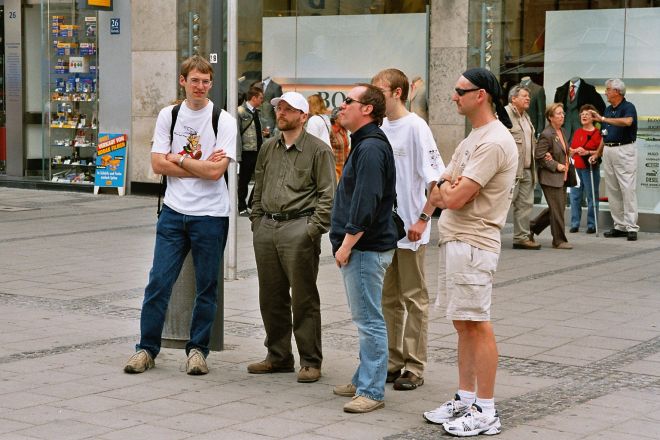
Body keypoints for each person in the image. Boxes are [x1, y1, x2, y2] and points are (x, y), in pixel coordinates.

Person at [123, 55, 236, 375]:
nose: (200, 86)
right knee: (158, 282)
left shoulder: (223, 119)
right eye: (194, 80)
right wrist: (198, 166)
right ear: (182, 81)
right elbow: (157, 165)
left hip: (211, 215)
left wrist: (180, 160)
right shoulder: (168, 115)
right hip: (173, 213)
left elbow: (217, 174)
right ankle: (146, 348)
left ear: (211, 84)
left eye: (206, 81)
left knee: (206, 286)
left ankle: (198, 350)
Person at [423, 68, 516, 437]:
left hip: (475, 242)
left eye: (461, 90)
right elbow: (439, 186)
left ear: (482, 95)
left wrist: (449, 190)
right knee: (463, 323)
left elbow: (455, 196)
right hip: (457, 240)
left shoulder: (493, 141)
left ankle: (487, 409)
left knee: (477, 323)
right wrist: (447, 190)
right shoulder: (473, 138)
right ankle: (465, 397)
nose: (453, 96)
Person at [247, 92, 336, 384]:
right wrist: (256, 219)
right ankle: (278, 356)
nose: (281, 112)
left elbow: (327, 195)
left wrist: (311, 230)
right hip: (267, 227)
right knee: (270, 297)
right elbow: (258, 184)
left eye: (288, 109)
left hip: (299, 228)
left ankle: (310, 361)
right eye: (279, 108)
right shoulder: (269, 147)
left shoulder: (318, 150)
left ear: (303, 116)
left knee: (304, 298)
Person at [372, 68, 444, 391]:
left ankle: (414, 365)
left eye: (381, 92)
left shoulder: (416, 127)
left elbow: (437, 182)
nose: (375, 98)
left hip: (413, 229)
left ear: (398, 93)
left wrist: (423, 219)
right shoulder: (379, 127)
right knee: (389, 298)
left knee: (414, 297)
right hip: (385, 230)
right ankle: (392, 359)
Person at [330, 83, 399, 414]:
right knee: (366, 317)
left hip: (366, 248)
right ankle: (363, 379)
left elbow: (366, 202)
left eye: (348, 101)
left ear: (367, 109)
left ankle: (372, 390)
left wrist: (346, 244)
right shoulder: (365, 144)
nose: (341, 106)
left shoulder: (370, 148)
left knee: (368, 320)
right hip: (365, 246)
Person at [590, 78, 639, 241]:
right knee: (612, 189)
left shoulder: (628, 107)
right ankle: (620, 226)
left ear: (617, 91)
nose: (606, 92)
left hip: (624, 149)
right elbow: (604, 135)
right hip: (609, 150)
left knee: (627, 188)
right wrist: (597, 153)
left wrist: (603, 119)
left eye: (608, 89)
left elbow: (628, 121)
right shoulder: (608, 109)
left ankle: (631, 226)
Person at [529, 103, 576, 250]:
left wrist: (571, 152)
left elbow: (560, 150)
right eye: (559, 113)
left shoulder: (561, 131)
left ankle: (531, 228)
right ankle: (559, 240)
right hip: (550, 177)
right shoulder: (546, 134)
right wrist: (556, 165)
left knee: (556, 208)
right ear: (550, 117)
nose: (563, 116)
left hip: (562, 177)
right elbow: (540, 155)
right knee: (557, 209)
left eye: (563, 113)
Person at [505, 85, 541, 250]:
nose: (528, 98)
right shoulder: (504, 115)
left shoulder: (526, 117)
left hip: (527, 169)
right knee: (502, 204)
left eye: (529, 96)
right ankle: (484, 235)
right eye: (524, 96)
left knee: (525, 206)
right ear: (514, 98)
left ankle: (521, 238)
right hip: (511, 171)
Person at [568, 104, 602, 234]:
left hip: (589, 168)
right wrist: (572, 151)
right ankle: (575, 223)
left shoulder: (597, 133)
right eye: (582, 114)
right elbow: (572, 150)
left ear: (593, 117)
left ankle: (592, 225)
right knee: (575, 197)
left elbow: (600, 152)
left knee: (592, 196)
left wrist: (587, 152)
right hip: (576, 168)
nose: (584, 116)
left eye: (587, 114)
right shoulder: (577, 132)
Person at [237, 86, 266, 215]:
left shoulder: (256, 112)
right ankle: (242, 206)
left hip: (258, 150)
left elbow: (253, 130)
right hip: (246, 151)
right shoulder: (240, 111)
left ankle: (250, 203)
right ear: (253, 98)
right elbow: (237, 133)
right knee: (244, 179)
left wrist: (263, 134)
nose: (262, 101)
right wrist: (238, 153)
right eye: (260, 98)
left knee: (262, 177)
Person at [329, 106, 350, 181]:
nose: (343, 117)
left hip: (345, 167)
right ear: (335, 118)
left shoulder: (344, 129)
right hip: (335, 168)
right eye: (341, 116)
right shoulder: (331, 131)